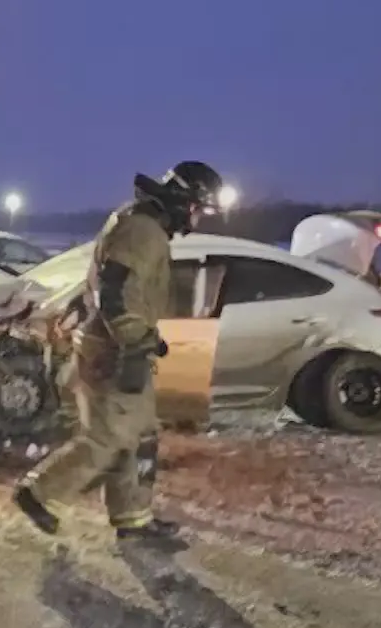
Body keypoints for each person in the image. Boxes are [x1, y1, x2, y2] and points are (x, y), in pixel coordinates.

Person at [12, 160, 225, 542]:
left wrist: (144, 336)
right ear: (182, 199)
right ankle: (39, 493)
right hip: (112, 350)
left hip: (119, 343)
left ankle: (133, 518)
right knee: (107, 439)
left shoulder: (138, 221)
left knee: (139, 435)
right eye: (197, 209)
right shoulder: (143, 231)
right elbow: (113, 291)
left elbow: (113, 286)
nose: (197, 219)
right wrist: (134, 340)